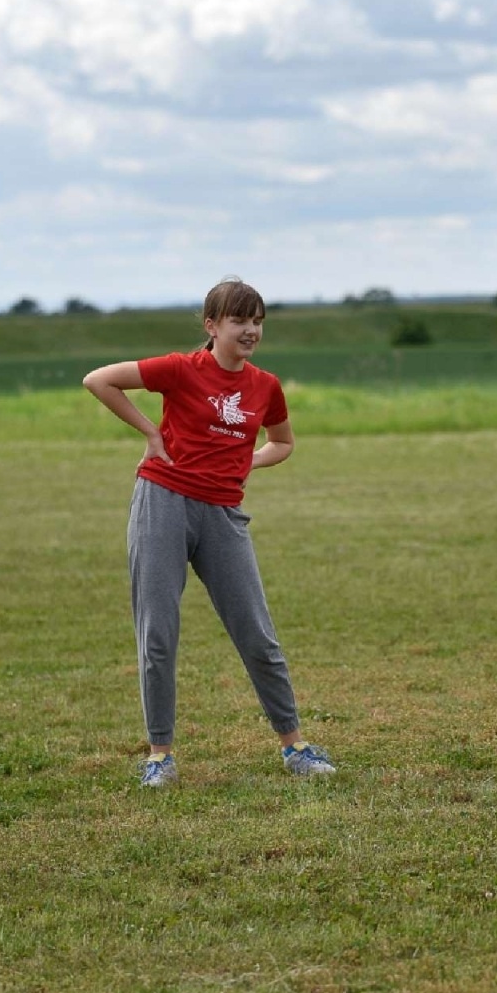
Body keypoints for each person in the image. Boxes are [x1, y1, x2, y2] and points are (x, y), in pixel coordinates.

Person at [83, 278, 336, 787]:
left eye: (258, 321)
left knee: (257, 635)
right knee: (158, 633)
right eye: (240, 320)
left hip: (223, 513)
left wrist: (248, 462)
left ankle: (296, 747)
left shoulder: (266, 386)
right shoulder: (180, 369)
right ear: (212, 325)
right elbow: (98, 380)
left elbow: (282, 443)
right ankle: (160, 755)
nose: (251, 330)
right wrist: (151, 433)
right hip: (163, 502)